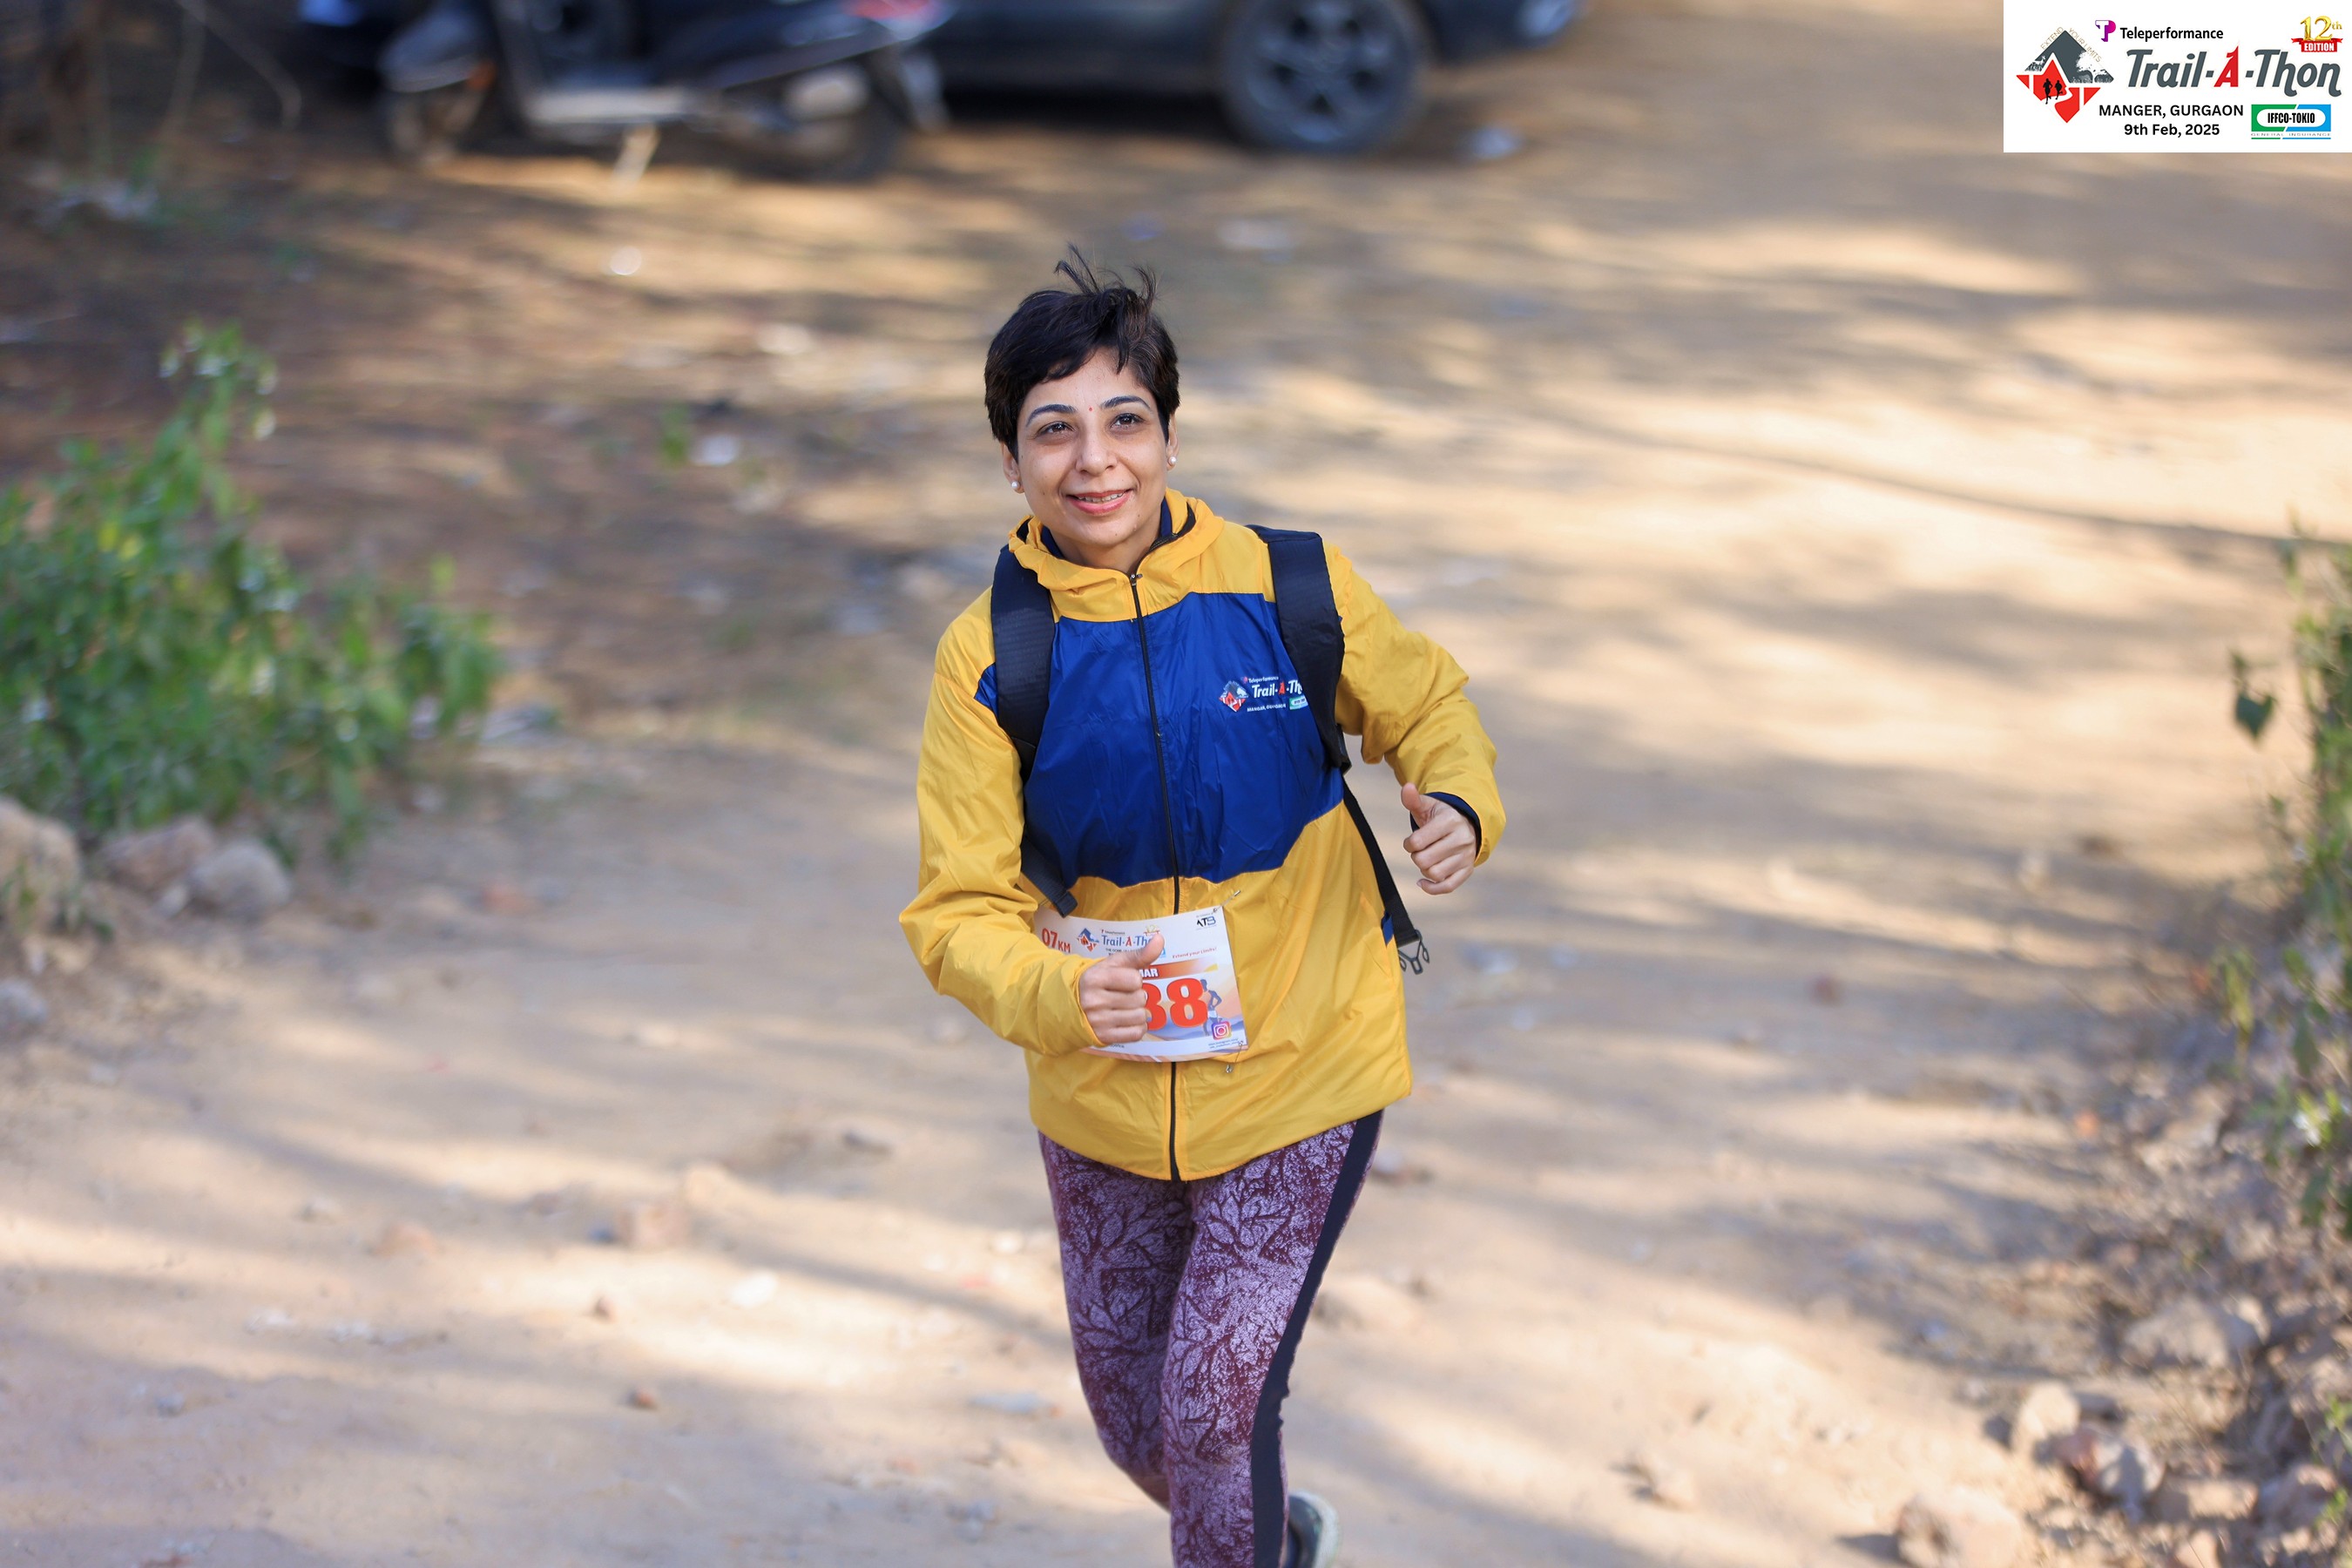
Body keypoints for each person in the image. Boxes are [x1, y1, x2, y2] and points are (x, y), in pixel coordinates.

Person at [900, 258, 1504, 1568]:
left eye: (1125, 420)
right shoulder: (990, 655)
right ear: (1010, 463)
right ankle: (1279, 1541)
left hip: (1302, 1064)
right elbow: (958, 909)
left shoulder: (1290, 585)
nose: (1095, 461)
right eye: (1053, 430)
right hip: (1104, 1087)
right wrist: (1061, 993)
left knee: (1217, 1405)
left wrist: (1457, 799)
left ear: (1169, 436)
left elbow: (1427, 703)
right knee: (1141, 1431)